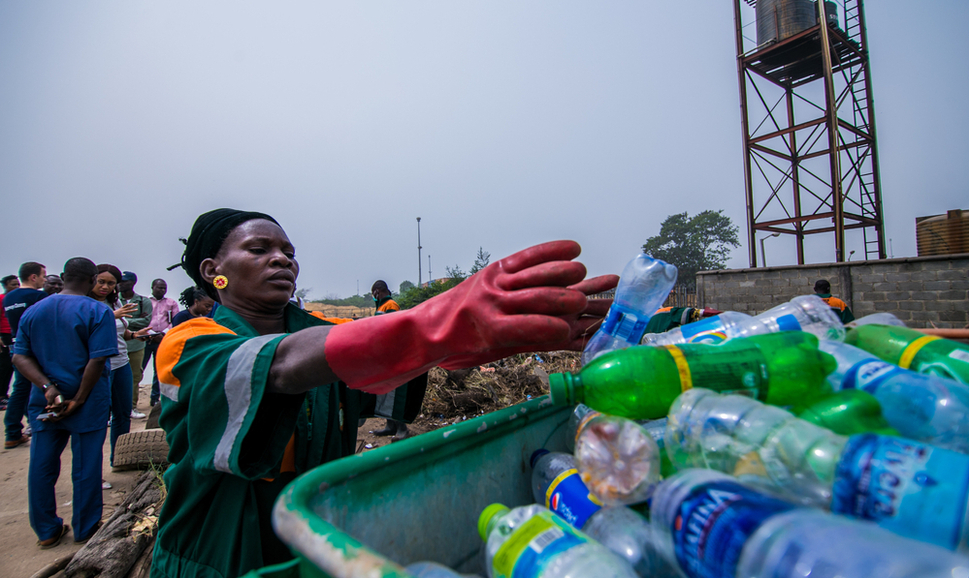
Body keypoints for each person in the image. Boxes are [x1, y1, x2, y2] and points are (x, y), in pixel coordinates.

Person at [149, 208, 616, 578]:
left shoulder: (321, 331)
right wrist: (434, 320)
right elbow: (281, 365)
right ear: (213, 270)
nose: (282, 259)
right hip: (218, 549)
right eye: (259, 248)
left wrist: (481, 340)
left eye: (289, 251)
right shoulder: (187, 341)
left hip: (314, 537)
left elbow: (383, 359)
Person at [11, 257, 117, 548]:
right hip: (87, 400)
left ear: (63, 276)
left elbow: (20, 356)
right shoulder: (97, 311)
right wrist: (79, 399)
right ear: (93, 279)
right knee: (86, 466)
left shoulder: (34, 312)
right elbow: (97, 359)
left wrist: (47, 387)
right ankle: (86, 527)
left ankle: (46, 530)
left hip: (45, 402)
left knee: (43, 465)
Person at [89, 264, 146, 468]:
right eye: (101, 282)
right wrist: (111, 316)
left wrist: (135, 335)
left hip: (121, 362)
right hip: (98, 367)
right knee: (97, 418)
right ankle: (93, 470)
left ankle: (119, 458)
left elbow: (120, 333)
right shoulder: (85, 304)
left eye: (111, 283)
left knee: (122, 414)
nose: (105, 287)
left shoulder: (114, 304)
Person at [3, 262, 48, 448]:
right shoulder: (38, 296)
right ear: (33, 277)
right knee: (41, 386)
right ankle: (37, 425)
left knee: (20, 389)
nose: (45, 280)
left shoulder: (8, 298)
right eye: (43, 276)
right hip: (36, 348)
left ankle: (13, 430)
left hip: (16, 347)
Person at [368, 279, 412, 440]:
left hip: (392, 355)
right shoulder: (381, 306)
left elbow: (392, 329)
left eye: (374, 293)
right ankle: (390, 425)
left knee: (393, 393)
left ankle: (402, 428)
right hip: (383, 354)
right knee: (385, 391)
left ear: (377, 292)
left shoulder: (391, 305)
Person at [118, 271, 152, 419]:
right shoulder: (114, 300)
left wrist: (122, 319)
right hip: (118, 344)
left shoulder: (143, 301)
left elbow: (145, 322)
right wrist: (130, 320)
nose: (120, 283)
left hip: (136, 345)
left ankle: (131, 407)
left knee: (135, 376)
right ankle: (113, 410)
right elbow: (110, 317)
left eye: (124, 281)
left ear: (132, 283)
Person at [142, 279, 178, 407]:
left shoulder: (171, 302)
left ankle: (155, 398)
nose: (162, 290)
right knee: (140, 367)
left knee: (159, 369)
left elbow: (174, 320)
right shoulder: (145, 301)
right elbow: (142, 319)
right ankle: (132, 400)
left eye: (164, 288)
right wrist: (151, 333)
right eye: (159, 288)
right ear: (152, 287)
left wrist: (163, 333)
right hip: (146, 338)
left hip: (162, 339)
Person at [0, 274, 21, 411]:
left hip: (16, 335)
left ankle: (4, 395)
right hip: (4, 336)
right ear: (6, 285)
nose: (16, 287)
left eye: (18, 284)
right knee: (4, 366)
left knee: (13, 366)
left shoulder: (17, 299)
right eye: (13, 284)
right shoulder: (2, 299)